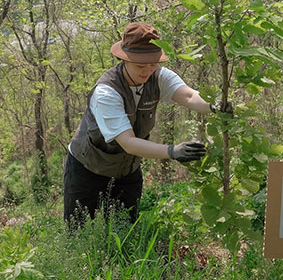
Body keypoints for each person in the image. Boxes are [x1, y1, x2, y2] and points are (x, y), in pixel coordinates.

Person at [64, 22, 232, 229]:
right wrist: (172, 151)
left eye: (152, 64)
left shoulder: (159, 76)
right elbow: (128, 142)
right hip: (88, 168)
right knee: (78, 231)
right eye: (140, 66)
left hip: (127, 169)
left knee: (125, 230)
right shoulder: (106, 92)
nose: (147, 71)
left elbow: (188, 96)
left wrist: (214, 106)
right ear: (124, 60)